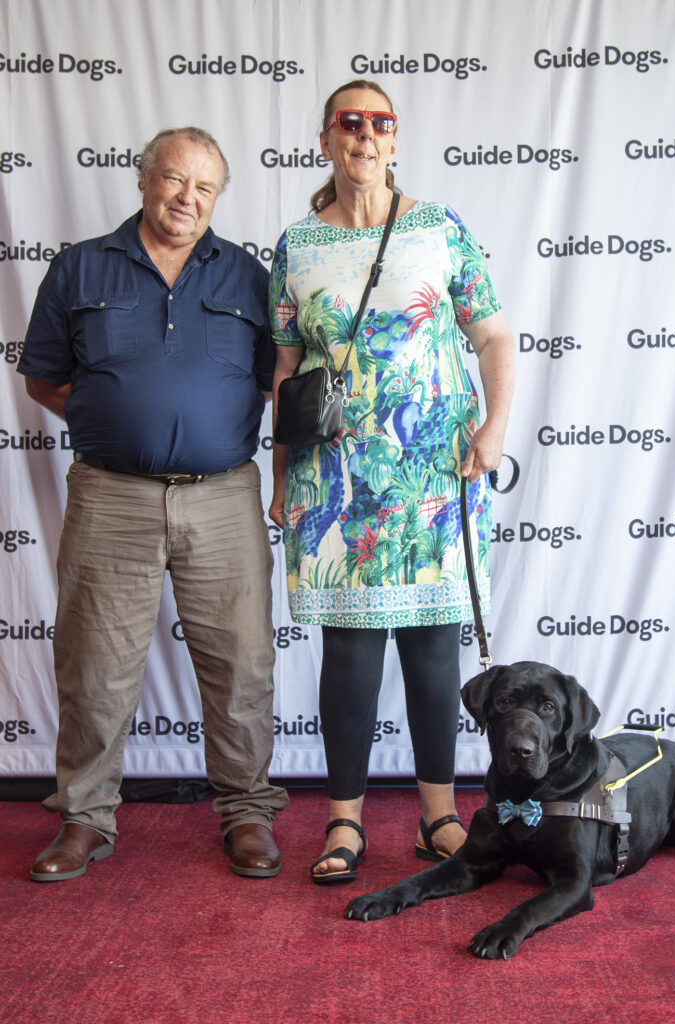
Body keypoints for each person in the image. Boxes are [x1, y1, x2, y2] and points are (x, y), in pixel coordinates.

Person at [18, 127, 288, 882]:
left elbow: (276, 380)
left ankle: (246, 813)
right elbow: (43, 377)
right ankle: (84, 816)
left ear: (217, 198)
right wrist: (119, 417)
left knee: (241, 665)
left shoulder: (246, 276)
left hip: (224, 498)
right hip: (111, 496)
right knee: (95, 666)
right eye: (174, 180)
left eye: (204, 188)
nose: (186, 198)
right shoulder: (78, 268)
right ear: (143, 180)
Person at [268, 81, 515, 883]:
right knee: (348, 651)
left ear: (395, 140)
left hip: (436, 472)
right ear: (325, 138)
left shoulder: (438, 229)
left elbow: (493, 335)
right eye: (350, 122)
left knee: (434, 646)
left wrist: (494, 429)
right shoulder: (296, 246)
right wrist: (280, 479)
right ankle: (344, 822)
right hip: (333, 473)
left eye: (380, 123)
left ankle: (437, 815)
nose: (365, 136)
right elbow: (283, 372)